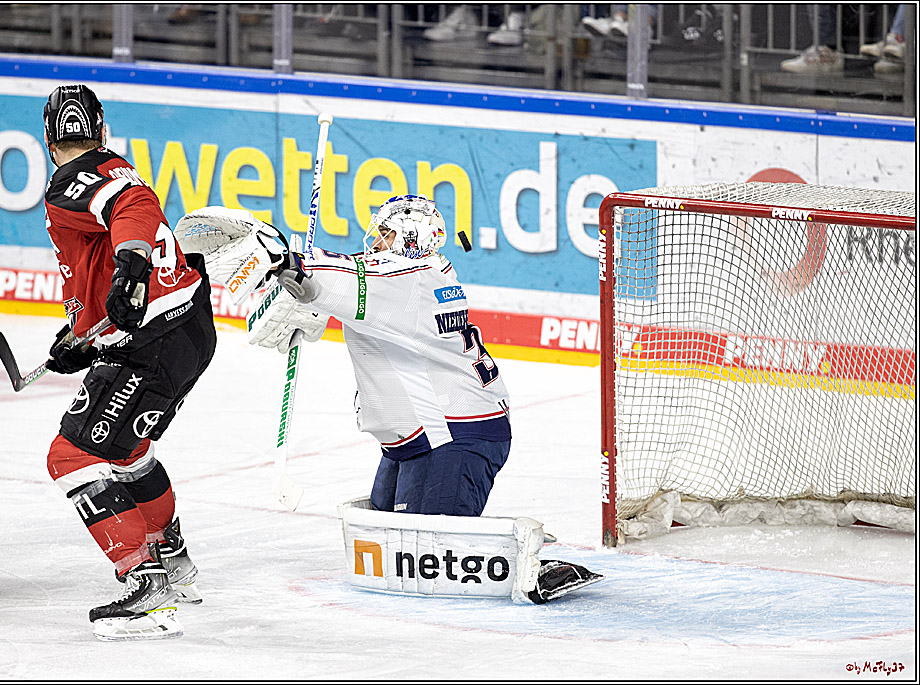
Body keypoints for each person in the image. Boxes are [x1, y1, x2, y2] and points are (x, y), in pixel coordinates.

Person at [239, 194, 601, 603]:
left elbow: (344, 277)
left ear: (408, 237)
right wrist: (304, 301)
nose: (375, 241)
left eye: (386, 232)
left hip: (453, 436)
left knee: (420, 555)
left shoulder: (405, 278)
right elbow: (348, 295)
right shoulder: (415, 276)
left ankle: (528, 562)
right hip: (424, 435)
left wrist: (289, 263)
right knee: (383, 536)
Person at [41, 84, 217, 640]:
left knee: (71, 455)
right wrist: (81, 338)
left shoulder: (72, 181)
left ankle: (146, 585)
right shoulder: (116, 166)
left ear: (49, 142)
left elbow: (133, 213)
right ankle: (175, 563)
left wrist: (132, 265)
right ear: (103, 132)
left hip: (153, 339)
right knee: (128, 450)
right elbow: (107, 261)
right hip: (186, 329)